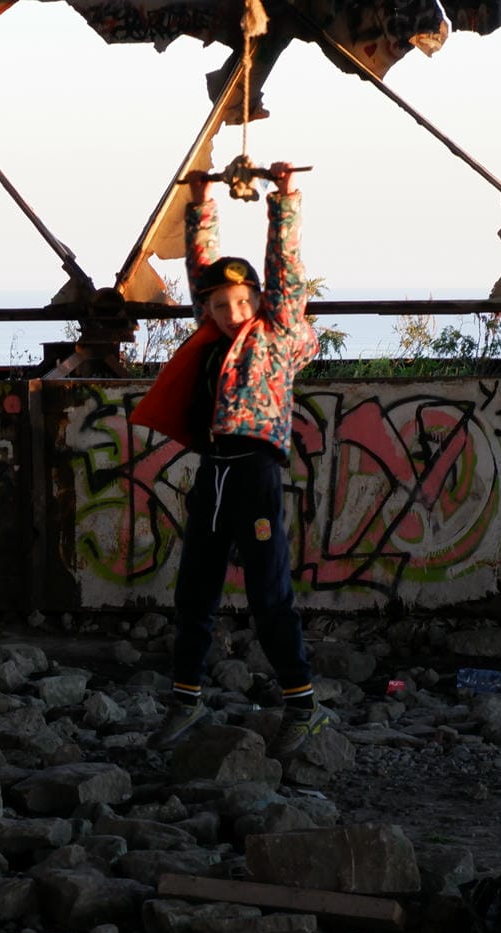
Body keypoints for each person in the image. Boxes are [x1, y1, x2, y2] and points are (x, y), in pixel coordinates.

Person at [136, 161, 338, 757]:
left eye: (241, 301)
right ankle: (185, 700)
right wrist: (201, 201)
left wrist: (285, 197)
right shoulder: (215, 339)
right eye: (221, 306)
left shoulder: (276, 332)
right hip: (216, 471)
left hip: (254, 473)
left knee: (268, 593)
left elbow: (287, 271)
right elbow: (204, 272)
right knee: (193, 590)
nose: (230, 312)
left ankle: (303, 707)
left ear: (259, 300)